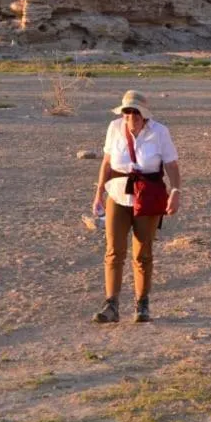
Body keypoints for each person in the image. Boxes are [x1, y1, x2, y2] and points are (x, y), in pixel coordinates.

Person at [91, 90, 181, 324]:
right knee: (114, 250)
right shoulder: (114, 128)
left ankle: (142, 303)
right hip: (117, 195)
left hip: (148, 197)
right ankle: (111, 304)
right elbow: (107, 162)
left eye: (136, 112)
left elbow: (171, 164)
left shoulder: (160, 132)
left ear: (145, 114)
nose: (131, 116)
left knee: (143, 252)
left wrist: (175, 192)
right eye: (127, 111)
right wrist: (99, 192)